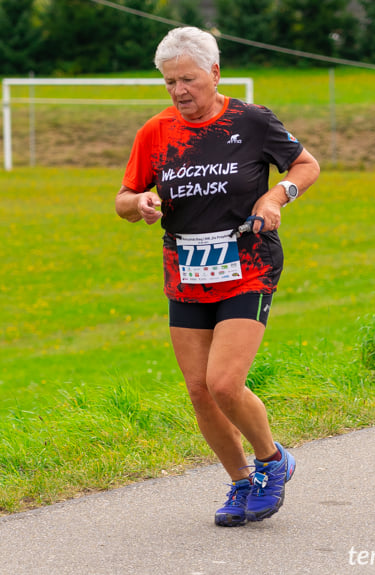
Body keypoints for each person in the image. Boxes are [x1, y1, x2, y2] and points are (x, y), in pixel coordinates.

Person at [115, 27, 320, 527]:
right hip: (186, 272)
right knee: (199, 391)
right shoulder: (155, 132)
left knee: (225, 383)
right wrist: (137, 204)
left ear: (214, 73)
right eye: (168, 83)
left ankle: (273, 462)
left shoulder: (251, 121)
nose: (179, 91)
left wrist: (275, 198)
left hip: (248, 266)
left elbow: (305, 165)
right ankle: (239, 481)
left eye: (188, 79)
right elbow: (123, 197)